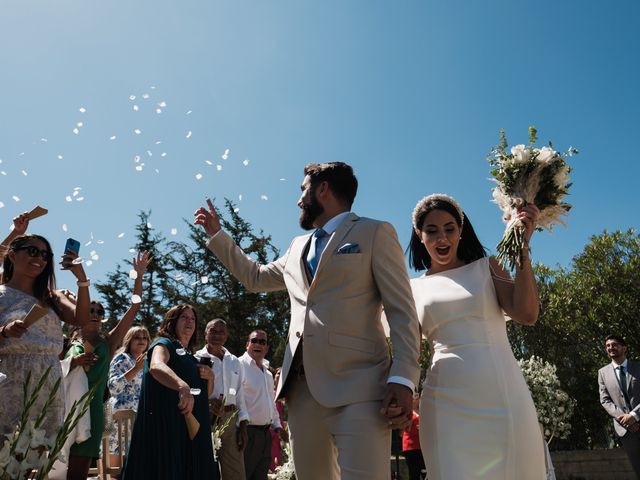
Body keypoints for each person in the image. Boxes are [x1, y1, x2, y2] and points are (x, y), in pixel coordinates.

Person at [194, 161, 421, 480]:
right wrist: (218, 235)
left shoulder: (373, 232)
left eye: (303, 189)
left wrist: (404, 378)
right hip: (301, 393)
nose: (299, 199)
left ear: (323, 189)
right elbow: (255, 277)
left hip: (361, 387)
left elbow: (402, 310)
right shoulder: (297, 247)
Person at [408, 193, 545, 479]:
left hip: (502, 394)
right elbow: (405, 348)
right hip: (443, 404)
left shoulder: (487, 268)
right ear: (420, 236)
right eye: (431, 231)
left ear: (460, 231)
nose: (441, 238)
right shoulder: (411, 289)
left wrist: (522, 249)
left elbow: (527, 314)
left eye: (449, 228)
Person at [0, 213, 90, 438]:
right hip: (11, 376)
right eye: (31, 251)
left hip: (48, 376)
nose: (38, 258)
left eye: (44, 254)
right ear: (12, 255)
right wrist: (5, 331)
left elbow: (81, 319)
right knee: (7, 449)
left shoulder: (50, 296)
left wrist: (81, 278)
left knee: (38, 449)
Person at [64, 251, 150, 480]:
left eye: (99, 312)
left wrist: (139, 276)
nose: (94, 314)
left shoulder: (108, 342)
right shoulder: (67, 342)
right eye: (91, 310)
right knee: (59, 465)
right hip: (66, 406)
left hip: (93, 410)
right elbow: (52, 369)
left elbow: (134, 309)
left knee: (80, 467)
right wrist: (73, 361)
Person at [121, 304, 218, 480]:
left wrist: (211, 378)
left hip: (190, 432)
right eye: (184, 317)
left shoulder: (191, 356)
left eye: (192, 318)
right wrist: (182, 386)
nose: (189, 321)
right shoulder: (163, 344)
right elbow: (156, 366)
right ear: (172, 322)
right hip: (168, 429)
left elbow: (204, 394)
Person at [195, 318, 249, 480]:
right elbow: (191, 391)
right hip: (204, 418)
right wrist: (206, 403)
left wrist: (243, 425)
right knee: (204, 468)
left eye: (221, 332)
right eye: (213, 331)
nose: (217, 335)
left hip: (231, 421)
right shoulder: (195, 359)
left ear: (227, 336)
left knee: (236, 472)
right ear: (205, 334)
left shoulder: (234, 361)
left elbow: (240, 394)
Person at [239, 330, 286, 480]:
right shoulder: (239, 365)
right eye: (254, 341)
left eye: (262, 342)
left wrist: (278, 426)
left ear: (267, 348)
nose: (258, 344)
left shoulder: (267, 373)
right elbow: (236, 398)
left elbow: (271, 403)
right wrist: (241, 427)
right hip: (247, 433)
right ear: (247, 344)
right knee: (244, 475)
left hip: (266, 435)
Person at [107, 325, 151, 472]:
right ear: (129, 340)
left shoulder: (150, 362)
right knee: (116, 470)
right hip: (121, 418)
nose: (142, 340)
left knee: (136, 468)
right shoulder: (121, 358)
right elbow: (114, 387)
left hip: (141, 419)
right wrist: (136, 368)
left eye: (145, 337)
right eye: (137, 337)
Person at [598, 334, 640, 477]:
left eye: (614, 344)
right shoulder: (602, 373)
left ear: (624, 348)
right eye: (608, 346)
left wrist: (634, 416)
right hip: (625, 430)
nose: (611, 348)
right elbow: (605, 400)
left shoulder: (638, 366)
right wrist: (626, 420)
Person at [402, 394, 425, 480]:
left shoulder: (423, 412)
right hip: (411, 447)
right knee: (414, 473)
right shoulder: (408, 413)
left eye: (417, 397)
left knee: (425, 472)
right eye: (414, 398)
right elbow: (402, 432)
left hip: (423, 446)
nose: (416, 399)